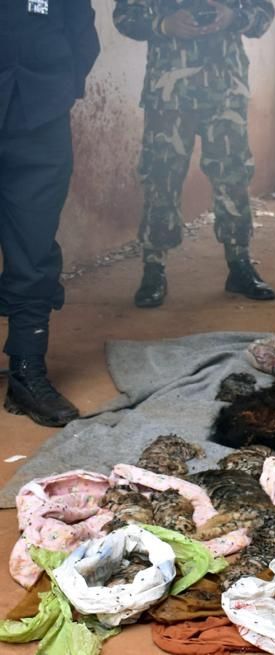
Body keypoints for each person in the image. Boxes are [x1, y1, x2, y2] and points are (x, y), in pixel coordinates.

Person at [113, 0, 275, 308]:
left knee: (233, 175)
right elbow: (124, 16)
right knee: (160, 176)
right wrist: (164, 24)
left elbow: (264, 14)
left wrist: (233, 16)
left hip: (226, 91)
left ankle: (239, 263)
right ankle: (154, 269)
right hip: (169, 95)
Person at [0, 1, 100, 427]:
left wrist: (60, 89)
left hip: (38, 116)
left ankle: (27, 370)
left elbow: (82, 33)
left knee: (34, 246)